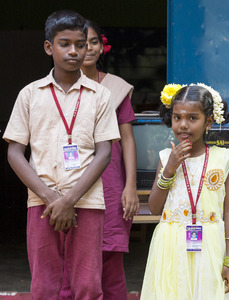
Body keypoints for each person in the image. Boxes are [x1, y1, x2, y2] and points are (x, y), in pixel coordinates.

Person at [3, 10, 120, 299]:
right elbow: (15, 152)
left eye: (81, 44)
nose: (74, 51)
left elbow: (104, 152)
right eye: (64, 43)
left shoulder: (100, 95)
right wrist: (52, 198)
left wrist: (69, 199)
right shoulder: (30, 94)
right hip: (42, 202)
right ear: (48, 47)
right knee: (44, 284)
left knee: (88, 286)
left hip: (87, 200)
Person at [140, 83, 229, 299]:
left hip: (210, 247)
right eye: (177, 117)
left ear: (208, 121)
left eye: (192, 118)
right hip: (170, 248)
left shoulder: (224, 158)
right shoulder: (165, 158)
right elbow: (154, 208)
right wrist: (169, 169)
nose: (183, 125)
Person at [58, 20, 140, 300]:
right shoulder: (58, 87)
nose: (87, 48)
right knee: (71, 258)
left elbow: (127, 139)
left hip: (110, 181)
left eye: (92, 42)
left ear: (102, 46)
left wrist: (130, 186)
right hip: (70, 178)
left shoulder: (116, 88)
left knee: (110, 260)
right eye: (82, 43)